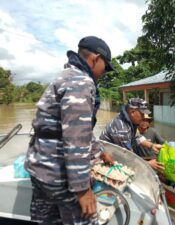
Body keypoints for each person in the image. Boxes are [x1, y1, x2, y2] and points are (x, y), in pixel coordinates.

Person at [25, 36, 114, 225]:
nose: (104, 72)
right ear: (95, 59)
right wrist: (82, 189)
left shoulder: (64, 76)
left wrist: (100, 151)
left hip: (39, 170)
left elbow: (73, 128)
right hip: (59, 176)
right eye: (105, 67)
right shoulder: (81, 82)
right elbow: (75, 139)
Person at [99, 98, 163, 171]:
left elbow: (136, 136)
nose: (143, 117)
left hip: (119, 153)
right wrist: (148, 164)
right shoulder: (122, 130)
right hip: (108, 158)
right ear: (133, 112)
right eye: (142, 114)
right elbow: (128, 158)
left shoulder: (128, 119)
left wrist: (152, 146)